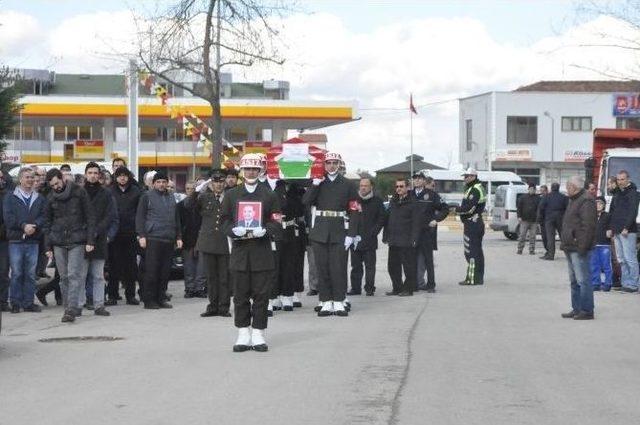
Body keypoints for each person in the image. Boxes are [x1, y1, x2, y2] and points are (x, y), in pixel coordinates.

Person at [220, 153, 282, 352]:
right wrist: (232, 231)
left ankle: (258, 332)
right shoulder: (231, 195)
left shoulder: (269, 195)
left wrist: (266, 230)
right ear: (242, 171)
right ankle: (243, 332)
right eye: (247, 169)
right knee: (240, 295)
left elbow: (277, 222)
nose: (251, 172)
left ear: (260, 170)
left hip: (261, 252)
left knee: (262, 295)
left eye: (255, 169)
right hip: (239, 253)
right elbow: (224, 221)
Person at [303, 152, 360, 317]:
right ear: (324, 165)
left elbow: (354, 209)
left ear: (339, 164)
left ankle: (339, 301)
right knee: (322, 267)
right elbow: (306, 202)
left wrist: (352, 233)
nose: (332, 166)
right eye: (328, 163)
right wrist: (314, 185)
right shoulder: (318, 182)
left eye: (335, 163)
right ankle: (326, 301)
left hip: (339, 229)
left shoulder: (348, 184)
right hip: (320, 230)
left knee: (339, 267)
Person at [43, 168, 95, 323]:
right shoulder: (51, 197)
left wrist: (90, 240)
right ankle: (69, 306)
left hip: (77, 240)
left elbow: (90, 216)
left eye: (57, 183)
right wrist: (47, 247)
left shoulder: (79, 192)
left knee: (73, 275)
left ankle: (71, 309)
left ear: (63, 179)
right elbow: (47, 223)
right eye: (52, 185)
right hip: (58, 241)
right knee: (63, 277)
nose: (55, 187)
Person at [136, 171, 183, 309]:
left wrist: (178, 236)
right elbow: (140, 217)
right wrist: (142, 235)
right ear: (153, 183)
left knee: (164, 271)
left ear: (167, 183)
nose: (161, 184)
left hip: (168, 239)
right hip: (152, 238)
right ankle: (149, 300)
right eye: (158, 182)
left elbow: (176, 218)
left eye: (164, 182)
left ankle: (161, 297)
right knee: (151, 271)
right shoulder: (146, 196)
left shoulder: (171, 197)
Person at [3, 167, 46, 313]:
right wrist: (23, 226)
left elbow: (43, 216)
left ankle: (28, 302)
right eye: (26, 177)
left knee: (30, 274)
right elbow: (8, 218)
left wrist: (35, 226)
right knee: (16, 273)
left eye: (32, 177)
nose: (30, 180)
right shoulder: (10, 197)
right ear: (20, 179)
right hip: (16, 241)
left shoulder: (39, 198)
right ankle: (15, 302)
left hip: (33, 241)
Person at [81, 162, 117, 316]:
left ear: (99, 175)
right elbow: (75, 214)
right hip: (81, 238)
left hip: (100, 238)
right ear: (85, 174)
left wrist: (97, 231)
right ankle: (78, 305)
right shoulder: (79, 192)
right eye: (90, 173)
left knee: (98, 275)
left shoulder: (106, 193)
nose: (93, 175)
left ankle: (99, 305)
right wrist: (86, 231)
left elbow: (109, 215)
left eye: (96, 173)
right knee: (80, 275)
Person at [560, 176, 597, 320]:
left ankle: (587, 310)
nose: (566, 189)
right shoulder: (574, 199)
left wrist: (582, 247)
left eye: (568, 186)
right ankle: (576, 308)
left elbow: (588, 226)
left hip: (579, 247)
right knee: (574, 280)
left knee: (583, 280)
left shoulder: (586, 201)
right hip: (570, 246)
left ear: (574, 187)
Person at [196, 169, 231, 317]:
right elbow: (188, 206)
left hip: (224, 242)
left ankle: (224, 307)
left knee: (224, 278)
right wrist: (200, 188)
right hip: (208, 242)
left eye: (221, 181)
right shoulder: (204, 197)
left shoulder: (230, 197)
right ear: (211, 183)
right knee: (211, 277)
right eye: (215, 181)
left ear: (225, 182)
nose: (218, 184)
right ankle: (212, 306)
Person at [107, 167, 142, 305]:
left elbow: (140, 212)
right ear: (115, 177)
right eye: (119, 176)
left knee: (131, 267)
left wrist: (139, 231)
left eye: (125, 176)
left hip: (130, 233)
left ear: (129, 177)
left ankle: (130, 295)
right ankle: (112, 295)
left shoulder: (136, 191)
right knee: (113, 266)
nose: (122, 178)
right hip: (114, 234)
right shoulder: (110, 191)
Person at [383, 178, 421, 296]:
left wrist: (414, 238)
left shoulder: (413, 202)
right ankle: (397, 288)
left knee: (408, 267)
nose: (398, 189)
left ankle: (408, 289)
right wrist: (386, 235)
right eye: (397, 187)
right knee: (392, 267)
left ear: (407, 188)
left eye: (401, 186)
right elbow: (388, 220)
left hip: (406, 240)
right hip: (393, 240)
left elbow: (416, 223)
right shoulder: (393, 201)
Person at [348, 177, 385, 296]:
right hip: (355, 240)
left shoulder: (377, 201)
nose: (363, 187)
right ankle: (355, 288)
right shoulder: (354, 201)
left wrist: (374, 232)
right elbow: (350, 217)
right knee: (355, 266)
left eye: (366, 185)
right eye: (361, 185)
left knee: (370, 266)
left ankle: (369, 288)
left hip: (370, 240)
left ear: (371, 187)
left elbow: (381, 219)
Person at [415, 175, 449, 292]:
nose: (417, 180)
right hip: (413, 232)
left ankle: (431, 285)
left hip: (426, 232)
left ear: (424, 181)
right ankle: (415, 284)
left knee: (428, 259)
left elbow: (445, 208)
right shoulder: (410, 194)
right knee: (412, 259)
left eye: (420, 178)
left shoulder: (431, 194)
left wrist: (436, 219)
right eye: (415, 178)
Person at [453, 168, 486, 286]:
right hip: (475, 223)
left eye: (466, 176)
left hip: (473, 223)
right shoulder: (474, 188)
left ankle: (472, 279)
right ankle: (478, 277)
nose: (465, 178)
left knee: (471, 252)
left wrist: (456, 210)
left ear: (473, 177)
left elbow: (470, 209)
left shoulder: (475, 190)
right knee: (477, 251)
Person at [608, 170, 639, 293]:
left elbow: (633, 212)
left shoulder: (633, 193)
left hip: (627, 231)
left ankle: (634, 285)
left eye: (622, 179)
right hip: (616, 230)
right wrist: (610, 228)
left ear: (628, 179)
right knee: (621, 259)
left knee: (630, 258)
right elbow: (613, 212)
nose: (620, 182)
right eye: (618, 179)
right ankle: (626, 283)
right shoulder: (618, 194)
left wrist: (626, 227)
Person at [277, 181, 307, 309]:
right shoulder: (271, 186)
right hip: (276, 228)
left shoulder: (298, 189)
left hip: (294, 228)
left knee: (294, 263)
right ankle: (275, 295)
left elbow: (302, 207)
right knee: (276, 264)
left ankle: (293, 292)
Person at [178, 181, 207, 298]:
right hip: (187, 240)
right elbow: (178, 223)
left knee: (201, 267)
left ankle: (200, 288)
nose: (191, 191)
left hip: (202, 239)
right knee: (188, 267)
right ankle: (189, 289)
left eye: (193, 189)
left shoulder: (203, 205)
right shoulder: (180, 205)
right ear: (185, 190)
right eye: (188, 188)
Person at [538, 182, 567, 260]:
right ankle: (568, 254)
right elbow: (567, 208)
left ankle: (550, 255)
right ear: (558, 188)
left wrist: (540, 219)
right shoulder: (563, 197)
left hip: (549, 218)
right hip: (560, 217)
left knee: (550, 237)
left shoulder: (547, 197)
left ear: (551, 188)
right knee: (563, 236)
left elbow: (541, 208)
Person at [591, 196, 612, 291]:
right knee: (594, 265)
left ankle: (608, 283)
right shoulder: (591, 216)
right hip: (594, 244)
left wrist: (610, 231)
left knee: (606, 265)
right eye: (596, 203)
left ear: (604, 205)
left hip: (605, 245)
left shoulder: (607, 216)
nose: (598, 205)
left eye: (600, 204)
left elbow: (611, 226)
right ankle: (595, 283)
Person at [0, 168, 14, 311]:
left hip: (3, 239)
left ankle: (3, 301)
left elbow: (9, 217)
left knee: (3, 271)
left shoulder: (7, 195)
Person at [516, 183, 540, 255]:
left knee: (532, 236)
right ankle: (520, 249)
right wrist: (519, 216)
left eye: (533, 189)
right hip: (524, 219)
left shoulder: (538, 198)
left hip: (534, 220)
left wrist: (538, 218)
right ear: (528, 189)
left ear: (535, 190)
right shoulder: (523, 197)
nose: (532, 190)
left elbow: (539, 209)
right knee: (522, 235)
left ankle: (531, 250)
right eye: (530, 189)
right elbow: (519, 208)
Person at [537, 184, 549, 254]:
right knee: (544, 237)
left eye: (543, 191)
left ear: (547, 191)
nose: (542, 192)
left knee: (548, 237)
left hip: (547, 220)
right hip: (541, 221)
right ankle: (547, 249)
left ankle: (549, 250)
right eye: (541, 191)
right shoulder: (539, 199)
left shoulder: (549, 198)